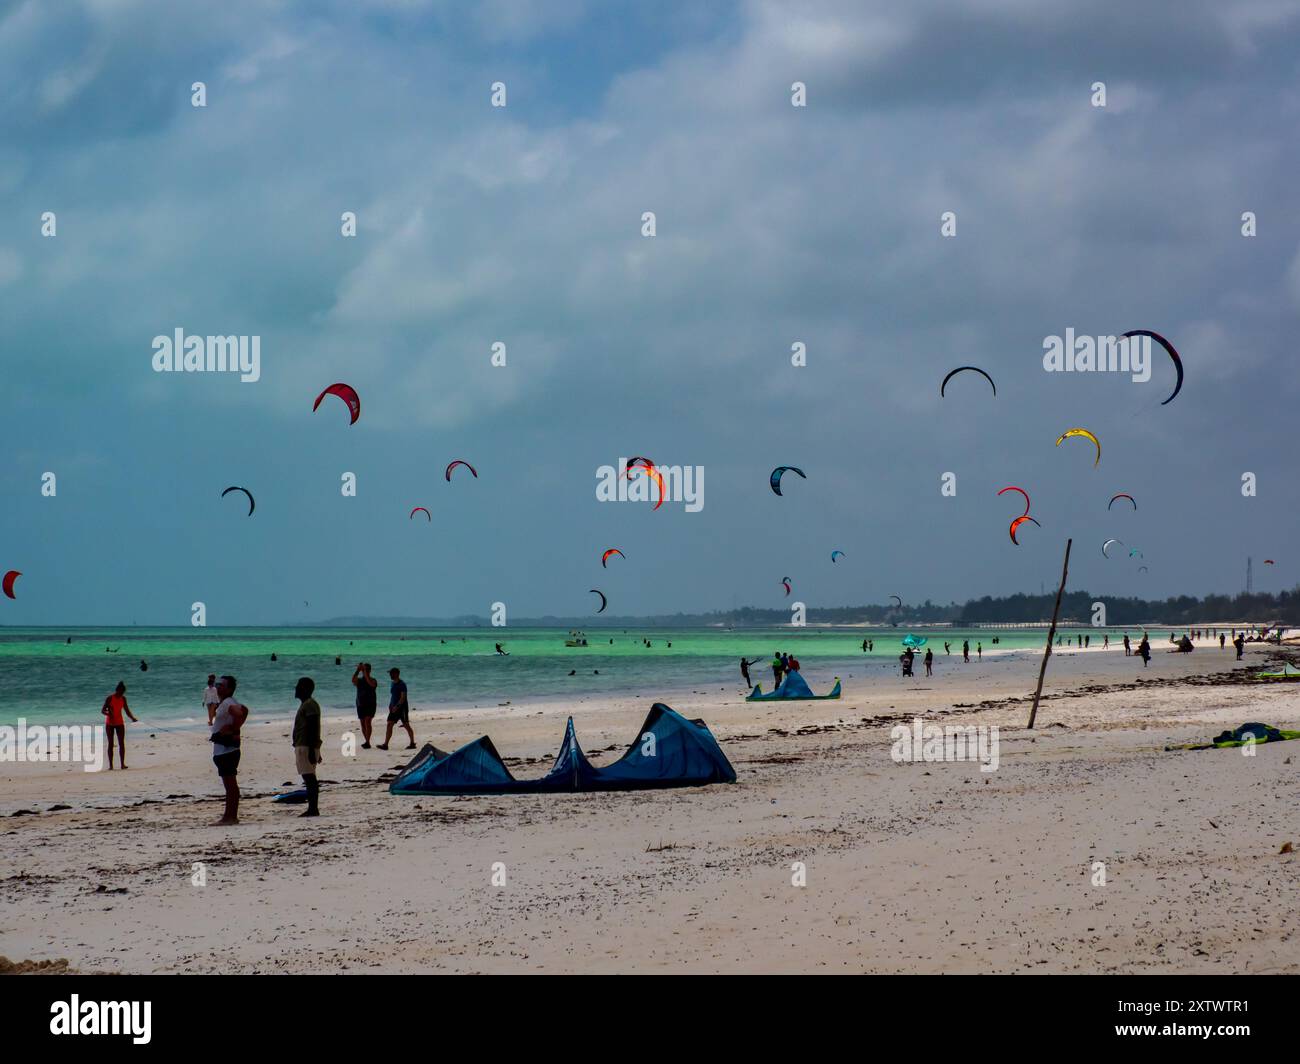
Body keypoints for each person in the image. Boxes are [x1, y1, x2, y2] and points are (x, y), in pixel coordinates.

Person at [210, 675, 248, 825]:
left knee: (230, 785)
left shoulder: (227, 703)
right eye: (218, 684)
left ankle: (230, 817)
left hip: (226, 751)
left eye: (222, 685)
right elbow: (245, 710)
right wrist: (234, 728)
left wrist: (233, 729)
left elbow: (241, 712)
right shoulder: (227, 702)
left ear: (230, 689)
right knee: (230, 784)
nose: (218, 687)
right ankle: (230, 816)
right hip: (224, 749)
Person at [291, 677, 322, 817]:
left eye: (298, 686)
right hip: (304, 745)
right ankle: (312, 808)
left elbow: (313, 727)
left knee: (309, 778)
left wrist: (311, 749)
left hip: (305, 746)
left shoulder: (310, 705)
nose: (295, 688)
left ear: (304, 689)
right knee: (309, 777)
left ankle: (313, 809)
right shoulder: (307, 704)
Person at [100, 682, 138, 770]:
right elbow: (102, 710)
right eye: (120, 692)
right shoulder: (110, 698)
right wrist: (109, 714)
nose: (121, 694)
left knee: (121, 743)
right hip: (110, 724)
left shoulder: (123, 699)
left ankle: (122, 764)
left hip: (120, 724)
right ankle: (111, 766)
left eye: (122, 693)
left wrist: (132, 718)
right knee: (110, 744)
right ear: (117, 690)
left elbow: (127, 710)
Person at [378, 667, 415, 750]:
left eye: (392, 673)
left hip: (402, 708)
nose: (390, 675)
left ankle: (412, 743)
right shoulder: (392, 683)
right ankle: (385, 744)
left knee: (406, 725)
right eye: (390, 673)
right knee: (389, 724)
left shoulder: (402, 684)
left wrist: (397, 706)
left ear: (397, 674)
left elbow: (403, 697)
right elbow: (393, 696)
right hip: (393, 707)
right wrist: (390, 705)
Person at [352, 663, 378, 748]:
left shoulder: (373, 680)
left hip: (371, 704)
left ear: (370, 670)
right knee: (362, 723)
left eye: (366, 670)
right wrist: (358, 670)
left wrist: (365, 673)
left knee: (367, 721)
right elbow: (353, 680)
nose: (365, 671)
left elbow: (371, 684)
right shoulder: (359, 680)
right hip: (360, 703)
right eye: (364, 670)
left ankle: (367, 741)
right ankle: (367, 741)